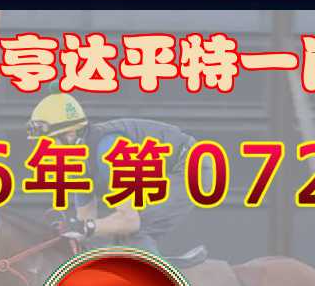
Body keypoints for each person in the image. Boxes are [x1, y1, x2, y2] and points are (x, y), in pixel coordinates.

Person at [27, 93, 209, 255]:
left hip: (192, 165)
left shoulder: (107, 150)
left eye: (51, 141)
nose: (48, 149)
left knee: (137, 232)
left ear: (71, 134)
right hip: (163, 171)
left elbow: (130, 221)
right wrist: (71, 231)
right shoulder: (77, 162)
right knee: (116, 238)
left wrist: (86, 227)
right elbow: (86, 221)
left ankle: (165, 282)